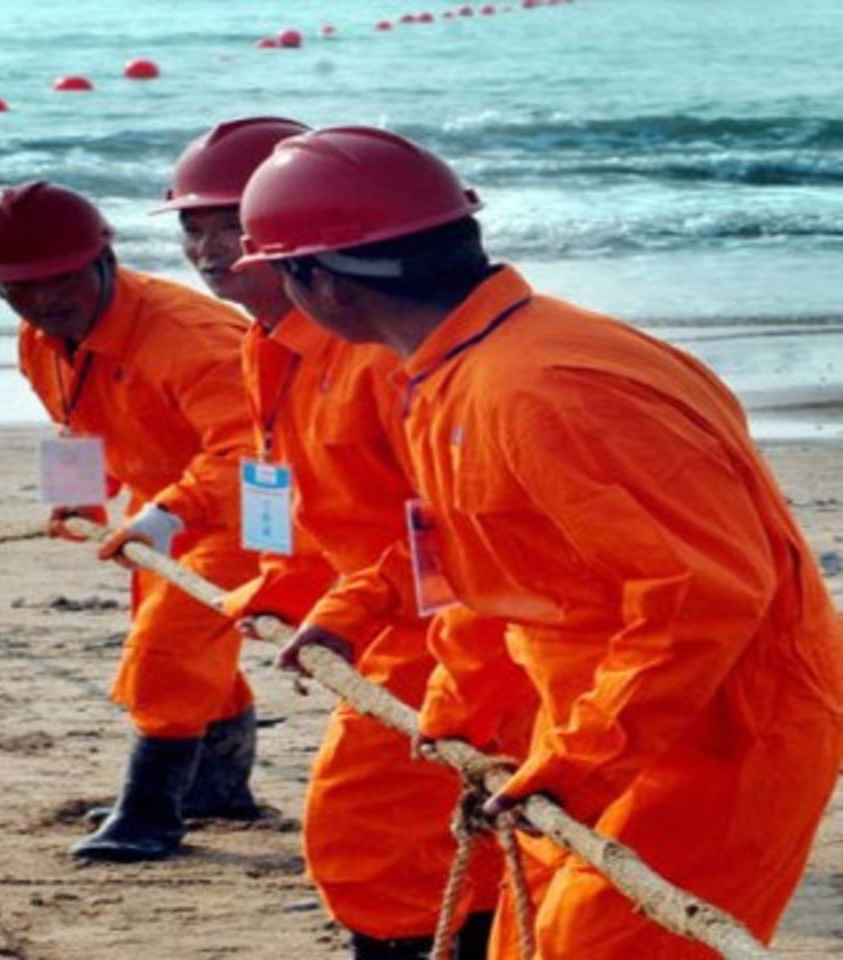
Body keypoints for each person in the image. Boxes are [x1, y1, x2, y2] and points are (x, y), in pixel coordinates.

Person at [234, 124, 843, 957]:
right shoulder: (452, 374)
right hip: (593, 716)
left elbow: (701, 596)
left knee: (599, 946)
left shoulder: (546, 389)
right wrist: (464, 708)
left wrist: (584, 761)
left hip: (719, 732)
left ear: (321, 285)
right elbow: (485, 568)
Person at [163, 117, 506, 959]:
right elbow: (302, 493)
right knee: (404, 837)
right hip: (380, 610)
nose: (209, 250)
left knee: (373, 830)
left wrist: (352, 607)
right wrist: (285, 584)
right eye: (192, 227)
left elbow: (453, 523)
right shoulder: (270, 343)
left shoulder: (380, 351)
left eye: (231, 227)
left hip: (449, 620)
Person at [0, 180, 261, 862]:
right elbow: (78, 418)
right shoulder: (41, 339)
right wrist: (81, 494)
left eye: (61, 278)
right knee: (181, 643)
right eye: (20, 287)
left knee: (166, 650)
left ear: (102, 259)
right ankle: (216, 787)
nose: (44, 300)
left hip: (256, 511)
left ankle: (151, 814)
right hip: (166, 509)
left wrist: (173, 512)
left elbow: (255, 451)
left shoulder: (192, 338)